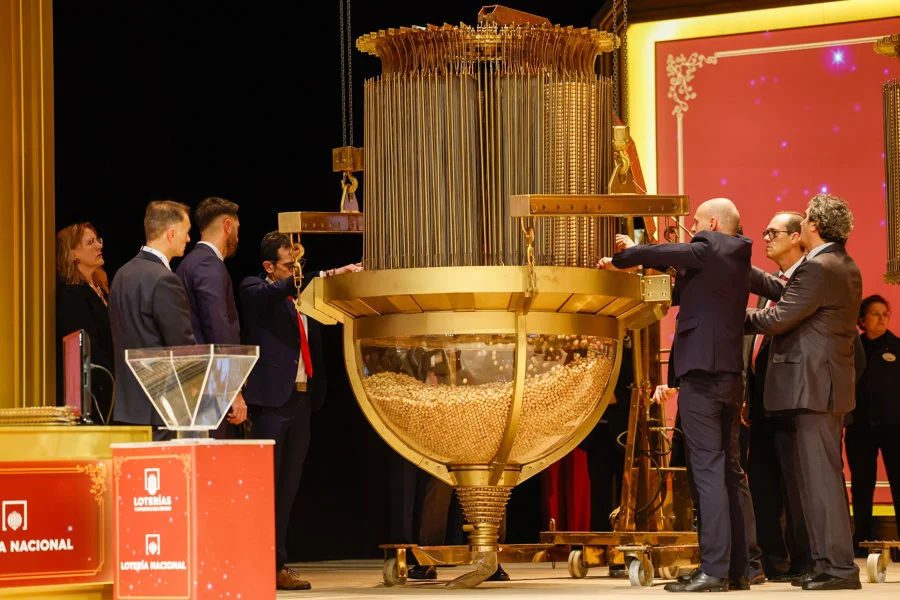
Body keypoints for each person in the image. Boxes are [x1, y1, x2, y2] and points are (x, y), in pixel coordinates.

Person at [599, 197, 752, 592]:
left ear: (712, 224)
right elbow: (681, 287)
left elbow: (667, 251)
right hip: (728, 377)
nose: (693, 229)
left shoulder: (711, 244)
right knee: (728, 472)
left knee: (708, 472)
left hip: (702, 376)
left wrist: (628, 254)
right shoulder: (734, 258)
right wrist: (633, 266)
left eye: (697, 222)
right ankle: (738, 570)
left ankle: (713, 570)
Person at [744, 193, 862, 590]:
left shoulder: (819, 267)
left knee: (821, 481)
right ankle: (826, 562)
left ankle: (838, 568)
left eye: (806, 218)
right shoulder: (836, 263)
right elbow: (785, 294)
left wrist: (727, 316)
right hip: (821, 386)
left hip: (814, 387)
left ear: (814, 226)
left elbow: (779, 316)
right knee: (816, 481)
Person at [239, 231, 362, 591]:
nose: (296, 272)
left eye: (299, 265)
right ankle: (254, 563)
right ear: (269, 266)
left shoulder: (301, 296)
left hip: (301, 399)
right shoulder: (253, 288)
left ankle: (277, 564)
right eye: (289, 265)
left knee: (288, 489)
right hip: (270, 404)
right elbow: (274, 292)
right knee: (265, 487)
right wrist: (325, 274)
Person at [742, 211, 811, 581]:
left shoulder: (812, 279)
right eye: (765, 231)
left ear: (797, 237)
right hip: (761, 401)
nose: (766, 237)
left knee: (797, 486)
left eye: (773, 232)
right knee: (763, 484)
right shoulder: (768, 286)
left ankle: (805, 563)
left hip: (796, 401)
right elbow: (754, 346)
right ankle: (773, 563)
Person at [109, 201, 196, 440]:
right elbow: (182, 347)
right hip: (160, 409)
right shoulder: (165, 279)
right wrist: (197, 387)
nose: (189, 239)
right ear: (171, 233)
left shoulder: (121, 274)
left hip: (127, 408)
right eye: (187, 231)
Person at [175, 197, 247, 437]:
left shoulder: (192, 262)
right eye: (237, 228)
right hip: (208, 386)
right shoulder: (208, 263)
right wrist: (232, 389)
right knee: (209, 453)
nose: (238, 236)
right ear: (227, 226)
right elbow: (218, 327)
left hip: (196, 383)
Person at [846, 294, 900, 556]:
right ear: (862, 320)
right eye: (875, 314)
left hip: (894, 428)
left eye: (885, 314)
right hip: (860, 427)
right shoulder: (851, 348)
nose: (881, 318)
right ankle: (861, 541)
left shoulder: (897, 347)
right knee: (861, 484)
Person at [55, 222, 114, 422]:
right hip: (94, 393)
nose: (99, 246)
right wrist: (112, 381)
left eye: (98, 240)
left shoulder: (98, 288)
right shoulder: (72, 295)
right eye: (90, 243)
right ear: (73, 255)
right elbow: (88, 348)